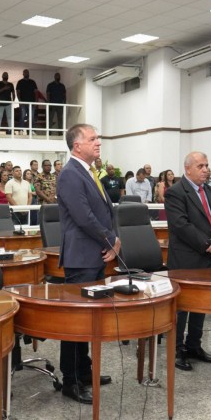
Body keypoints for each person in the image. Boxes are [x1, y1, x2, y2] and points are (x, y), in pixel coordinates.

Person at [57, 123, 116, 404]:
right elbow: (83, 217)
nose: (98, 143)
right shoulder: (71, 174)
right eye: (93, 139)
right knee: (76, 322)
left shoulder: (90, 171)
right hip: (81, 258)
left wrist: (113, 239)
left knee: (89, 320)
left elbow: (104, 211)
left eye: (98, 139)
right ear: (77, 145)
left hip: (95, 254)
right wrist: (111, 240)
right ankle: (71, 380)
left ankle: (84, 371)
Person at [166, 151, 211, 371]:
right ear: (188, 169)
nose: (206, 170)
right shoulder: (175, 192)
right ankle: (177, 350)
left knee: (201, 303)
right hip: (187, 258)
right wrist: (208, 244)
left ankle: (194, 346)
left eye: (207, 165)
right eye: (200, 166)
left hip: (209, 257)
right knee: (181, 308)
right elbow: (181, 226)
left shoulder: (208, 189)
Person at [16, 69, 38, 133]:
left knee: (31, 117)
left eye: (27, 72)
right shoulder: (20, 82)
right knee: (22, 116)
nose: (26, 73)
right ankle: (21, 130)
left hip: (32, 103)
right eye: (25, 72)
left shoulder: (32, 82)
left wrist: (36, 101)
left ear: (29, 74)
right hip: (23, 102)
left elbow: (36, 92)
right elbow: (18, 92)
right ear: (23, 74)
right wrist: (20, 101)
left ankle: (31, 130)